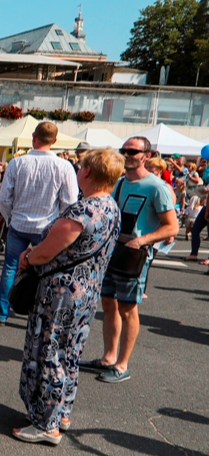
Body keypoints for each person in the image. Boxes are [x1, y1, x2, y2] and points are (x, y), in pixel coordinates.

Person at [11, 149, 123, 445]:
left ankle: (47, 424)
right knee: (69, 353)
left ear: (87, 172)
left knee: (50, 352)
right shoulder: (110, 206)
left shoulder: (82, 211)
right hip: (86, 293)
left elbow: (47, 251)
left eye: (81, 165)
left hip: (61, 295)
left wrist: (29, 255)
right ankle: (60, 412)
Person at [79, 137, 179, 383]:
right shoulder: (120, 183)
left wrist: (143, 240)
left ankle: (122, 365)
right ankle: (108, 357)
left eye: (133, 151)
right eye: (125, 150)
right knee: (108, 304)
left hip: (135, 255)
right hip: (113, 251)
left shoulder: (157, 187)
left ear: (146, 155)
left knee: (127, 308)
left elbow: (171, 227)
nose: (128, 154)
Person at [0, 122, 78, 326]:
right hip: (47, 227)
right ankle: (39, 315)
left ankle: (1, 313)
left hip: (19, 224)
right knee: (45, 272)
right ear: (55, 141)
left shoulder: (17, 163)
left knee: (10, 268)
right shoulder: (64, 166)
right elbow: (70, 202)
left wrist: (10, 217)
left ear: (34, 137)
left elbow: (4, 198)